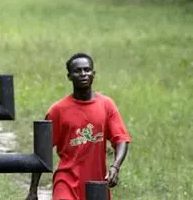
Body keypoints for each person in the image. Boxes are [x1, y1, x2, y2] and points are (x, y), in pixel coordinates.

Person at [26, 53, 131, 200]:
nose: (83, 74)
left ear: (93, 74)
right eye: (78, 71)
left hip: (97, 184)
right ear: (69, 76)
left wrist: (115, 167)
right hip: (66, 182)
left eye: (87, 70)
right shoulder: (58, 110)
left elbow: (121, 140)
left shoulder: (106, 105)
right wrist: (33, 190)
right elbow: (41, 152)